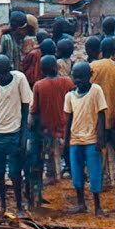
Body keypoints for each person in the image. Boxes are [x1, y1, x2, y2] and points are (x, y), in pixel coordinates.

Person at [0, 54, 32, 218]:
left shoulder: (19, 80)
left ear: (9, 69)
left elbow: (25, 109)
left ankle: (19, 206)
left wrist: (24, 137)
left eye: (4, 71)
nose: (2, 75)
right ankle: (3, 205)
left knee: (15, 173)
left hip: (14, 133)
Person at [63, 61, 107, 215]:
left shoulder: (96, 90)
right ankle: (81, 203)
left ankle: (97, 206)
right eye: (75, 77)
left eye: (81, 77)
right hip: (75, 140)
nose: (78, 80)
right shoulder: (69, 95)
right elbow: (68, 119)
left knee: (94, 174)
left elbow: (101, 115)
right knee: (76, 174)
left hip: (92, 139)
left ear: (90, 76)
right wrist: (66, 140)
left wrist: (101, 138)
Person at [30, 55, 73, 185]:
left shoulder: (39, 85)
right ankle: (70, 171)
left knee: (48, 153)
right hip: (66, 125)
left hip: (48, 128)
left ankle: (51, 174)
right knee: (68, 152)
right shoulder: (67, 81)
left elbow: (34, 109)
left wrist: (32, 125)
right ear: (57, 67)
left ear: (42, 70)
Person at [89, 36, 115, 186]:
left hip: (97, 114)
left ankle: (99, 179)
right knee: (110, 148)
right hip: (114, 114)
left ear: (101, 50)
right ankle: (111, 178)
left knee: (98, 148)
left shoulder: (94, 66)